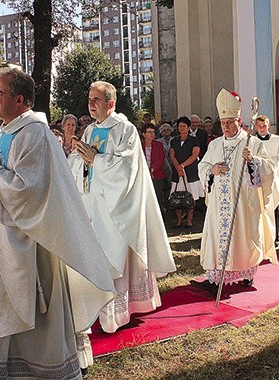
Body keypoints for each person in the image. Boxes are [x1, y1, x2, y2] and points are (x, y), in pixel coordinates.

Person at [0, 68, 118, 378]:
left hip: (33, 243)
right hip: (6, 238)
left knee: (31, 313)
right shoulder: (10, 132)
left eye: (0, 93)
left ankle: (37, 370)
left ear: (20, 99)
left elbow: (29, 191)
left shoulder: (33, 134)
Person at [73, 80, 176, 333]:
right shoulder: (88, 131)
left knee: (115, 256)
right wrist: (79, 159)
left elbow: (126, 168)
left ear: (111, 103)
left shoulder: (125, 129)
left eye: (96, 100)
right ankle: (96, 309)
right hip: (92, 204)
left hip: (115, 207)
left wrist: (95, 159)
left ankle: (118, 312)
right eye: (89, 99)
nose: (91, 104)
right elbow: (78, 162)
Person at [195, 89, 276, 292]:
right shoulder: (214, 145)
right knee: (217, 238)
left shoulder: (252, 142)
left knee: (243, 237)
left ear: (239, 121)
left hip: (242, 204)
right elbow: (203, 167)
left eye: (230, 122)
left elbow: (269, 169)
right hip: (219, 206)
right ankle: (215, 278)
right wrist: (211, 171)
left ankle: (246, 273)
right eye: (223, 122)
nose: (226, 126)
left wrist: (253, 161)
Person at [254, 114, 279, 246]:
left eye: (264, 126)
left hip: (274, 176)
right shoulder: (252, 141)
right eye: (259, 126)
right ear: (256, 127)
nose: (262, 128)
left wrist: (269, 165)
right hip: (258, 178)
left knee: (274, 205)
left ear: (269, 126)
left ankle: (276, 236)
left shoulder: (277, 140)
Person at [169, 116, 202, 228]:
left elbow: (195, 154)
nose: (182, 128)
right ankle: (179, 220)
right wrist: (178, 167)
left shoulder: (194, 140)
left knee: (190, 197)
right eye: (180, 126)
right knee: (176, 198)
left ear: (188, 128)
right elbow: (172, 155)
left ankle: (189, 219)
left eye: (184, 126)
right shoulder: (174, 141)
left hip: (190, 172)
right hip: (177, 173)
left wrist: (183, 166)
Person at [141, 123, 167, 211]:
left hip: (157, 175)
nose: (152, 134)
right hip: (143, 175)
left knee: (157, 196)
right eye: (149, 132)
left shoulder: (159, 145)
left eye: (153, 132)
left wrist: (151, 169)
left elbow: (161, 159)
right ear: (143, 134)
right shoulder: (139, 145)